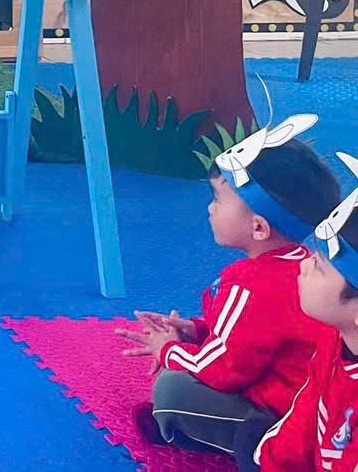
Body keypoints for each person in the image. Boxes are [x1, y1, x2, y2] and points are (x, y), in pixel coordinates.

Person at [118, 121, 343, 463]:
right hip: (312, 403)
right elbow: (260, 340)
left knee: (172, 389)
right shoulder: (304, 265)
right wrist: (198, 331)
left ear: (258, 227)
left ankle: (253, 445)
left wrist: (168, 349)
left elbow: (222, 369)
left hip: (286, 415)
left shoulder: (252, 283)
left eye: (217, 199)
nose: (211, 208)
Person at [252, 158, 358, 471]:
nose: (303, 264)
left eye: (320, 266)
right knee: (255, 439)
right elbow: (304, 415)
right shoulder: (334, 339)